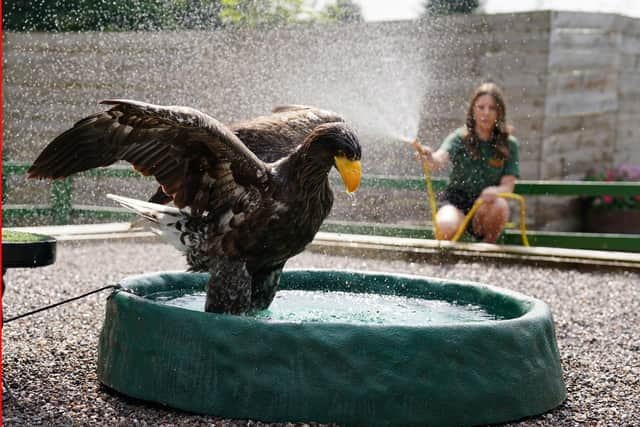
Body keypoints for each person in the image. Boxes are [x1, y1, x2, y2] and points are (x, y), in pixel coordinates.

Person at [414, 82, 520, 243]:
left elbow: (508, 186)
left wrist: (495, 191)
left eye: (492, 108)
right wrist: (428, 156)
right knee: (444, 227)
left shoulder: (509, 144)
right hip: (456, 201)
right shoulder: (459, 137)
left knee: (500, 206)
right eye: (481, 107)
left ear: (499, 112)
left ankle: (486, 251)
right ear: (473, 110)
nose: (486, 113)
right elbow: (437, 161)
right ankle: (455, 240)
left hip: (486, 204)